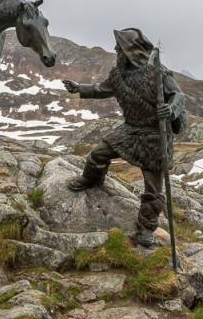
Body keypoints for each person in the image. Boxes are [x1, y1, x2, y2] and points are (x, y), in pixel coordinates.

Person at [62, 28, 187, 247]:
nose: (115, 50)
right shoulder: (118, 75)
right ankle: (92, 179)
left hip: (154, 134)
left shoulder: (158, 73)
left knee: (152, 188)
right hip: (130, 129)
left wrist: (171, 109)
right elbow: (102, 89)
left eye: (118, 48)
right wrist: (79, 88)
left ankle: (147, 228)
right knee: (99, 154)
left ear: (129, 51)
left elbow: (178, 95)